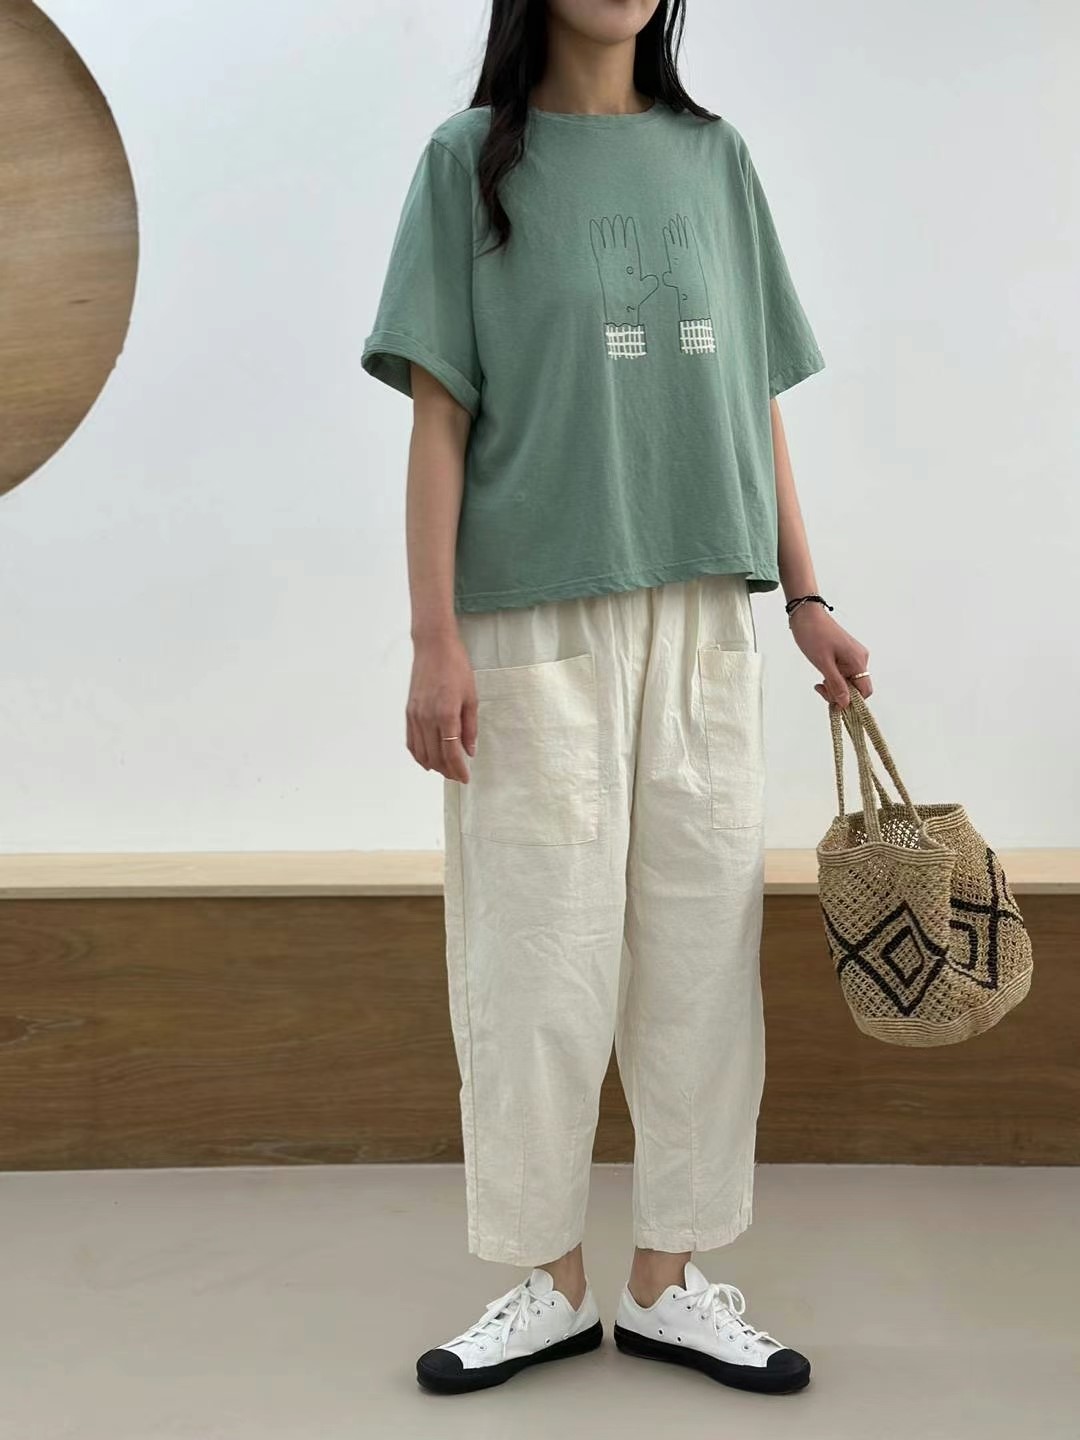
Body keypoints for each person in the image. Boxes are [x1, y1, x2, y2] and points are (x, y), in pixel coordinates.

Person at [362, 0, 871, 1400]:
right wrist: (433, 638)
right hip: (531, 615)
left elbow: (756, 398)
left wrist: (806, 596)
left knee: (700, 955)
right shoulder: (468, 162)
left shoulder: (717, 159)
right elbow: (439, 412)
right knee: (536, 959)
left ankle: (666, 1282)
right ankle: (546, 1284)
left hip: (703, 606)